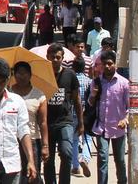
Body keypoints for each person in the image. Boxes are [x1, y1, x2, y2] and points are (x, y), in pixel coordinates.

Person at [42, 42, 83, 184]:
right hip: (46, 124)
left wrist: (81, 124)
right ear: (47, 57)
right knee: (48, 159)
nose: (55, 60)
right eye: (52, 57)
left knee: (66, 153)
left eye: (58, 57)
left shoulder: (69, 74)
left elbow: (77, 100)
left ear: (62, 58)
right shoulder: (42, 76)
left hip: (65, 122)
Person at [86, 50, 129, 183]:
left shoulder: (124, 83)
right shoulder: (96, 82)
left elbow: (130, 107)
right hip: (101, 128)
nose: (107, 67)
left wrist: (125, 119)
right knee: (102, 159)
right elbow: (90, 103)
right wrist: (93, 94)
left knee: (120, 160)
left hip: (118, 128)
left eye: (110, 64)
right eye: (104, 64)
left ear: (115, 64)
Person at [11, 60, 49, 180]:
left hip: (33, 140)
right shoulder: (7, 94)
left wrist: (45, 145)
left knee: (32, 175)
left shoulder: (39, 95)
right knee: (14, 175)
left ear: (30, 75)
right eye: (19, 73)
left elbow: (43, 122)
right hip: (12, 141)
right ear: (13, 75)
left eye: (25, 73)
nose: (22, 76)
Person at [72, 56, 94, 175]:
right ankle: (85, 158)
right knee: (88, 138)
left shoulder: (71, 80)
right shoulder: (89, 81)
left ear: (73, 67)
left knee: (74, 139)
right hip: (86, 114)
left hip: (73, 113)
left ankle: (75, 165)